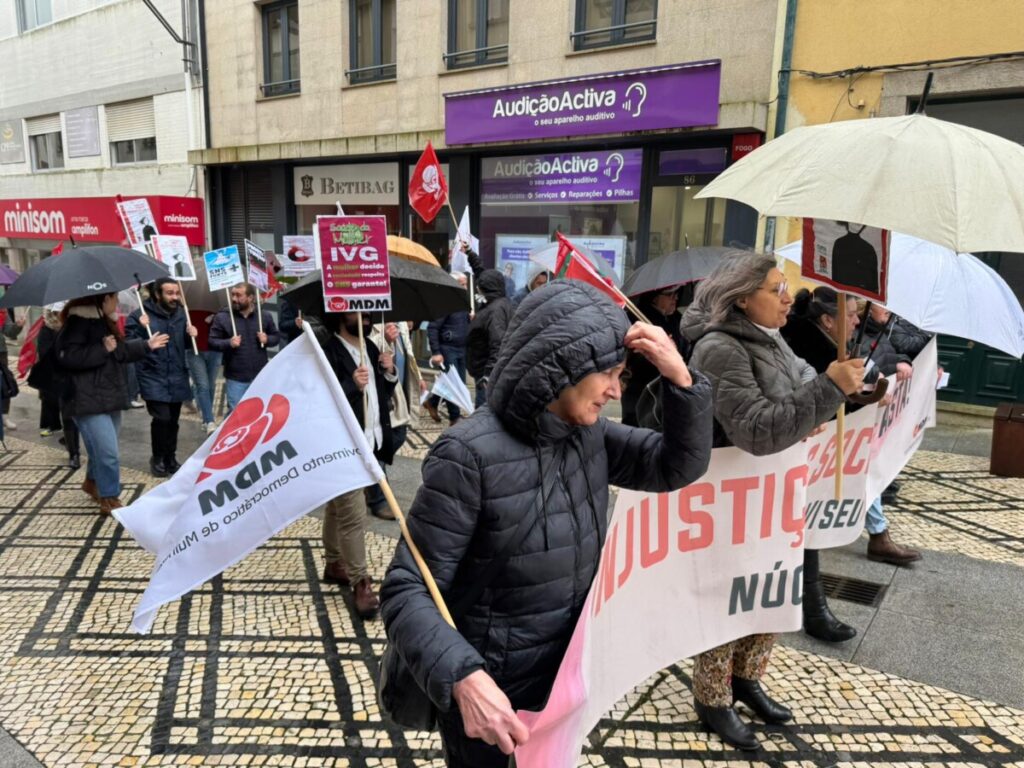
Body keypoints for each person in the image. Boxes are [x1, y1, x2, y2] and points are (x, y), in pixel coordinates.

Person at [381, 281, 714, 767]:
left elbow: (674, 466)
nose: (616, 391)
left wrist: (682, 381)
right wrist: (464, 679)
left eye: (622, 375)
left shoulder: (589, 434)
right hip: (493, 699)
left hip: (564, 683)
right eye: (609, 374)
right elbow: (407, 589)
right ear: (563, 364)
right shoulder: (468, 454)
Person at [680, 252, 865, 750]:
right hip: (733, 497)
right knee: (732, 592)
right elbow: (758, 430)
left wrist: (854, 387)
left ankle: (747, 678)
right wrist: (827, 390)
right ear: (743, 299)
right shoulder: (719, 349)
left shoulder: (772, 336)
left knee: (771, 588)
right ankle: (712, 696)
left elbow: (805, 382)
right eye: (777, 289)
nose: (789, 297)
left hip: (774, 492)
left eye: (786, 286)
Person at [56, 293, 168, 514]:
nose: (117, 303)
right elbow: (66, 357)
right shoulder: (76, 323)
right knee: (108, 453)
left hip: (110, 396)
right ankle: (110, 497)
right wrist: (101, 349)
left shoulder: (105, 322)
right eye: (115, 298)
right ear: (104, 299)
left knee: (104, 448)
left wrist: (146, 344)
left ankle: (91, 482)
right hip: (85, 399)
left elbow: (120, 352)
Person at [321, 311, 398, 618]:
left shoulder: (371, 346)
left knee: (335, 505)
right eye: (357, 312)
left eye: (367, 312)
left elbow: (382, 394)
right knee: (354, 514)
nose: (364, 317)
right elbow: (324, 397)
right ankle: (361, 582)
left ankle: (333, 561)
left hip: (372, 439)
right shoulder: (327, 349)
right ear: (340, 315)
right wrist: (352, 384)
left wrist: (389, 372)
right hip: (343, 444)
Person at [855, 302, 922, 563]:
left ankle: (878, 533)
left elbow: (890, 355)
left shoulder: (879, 333)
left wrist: (902, 361)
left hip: (868, 420)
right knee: (862, 471)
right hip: (855, 418)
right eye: (883, 305)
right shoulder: (858, 334)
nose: (889, 310)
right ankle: (878, 534)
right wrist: (875, 378)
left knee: (863, 472)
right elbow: (856, 360)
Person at [126, 279, 198, 477]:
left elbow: (186, 345)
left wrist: (192, 335)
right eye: (169, 293)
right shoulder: (140, 315)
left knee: (173, 420)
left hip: (176, 373)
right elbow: (128, 346)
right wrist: (140, 329)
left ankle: (170, 457)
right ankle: (157, 457)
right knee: (162, 418)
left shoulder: (182, 314)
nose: (174, 297)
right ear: (158, 294)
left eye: (176, 293)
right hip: (152, 374)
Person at [366, 320, 427, 520]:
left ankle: (369, 477)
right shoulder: (372, 323)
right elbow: (362, 348)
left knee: (398, 436)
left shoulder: (399, 324)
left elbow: (407, 353)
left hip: (398, 388)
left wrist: (417, 375)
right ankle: (379, 499)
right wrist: (382, 338)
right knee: (380, 446)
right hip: (381, 393)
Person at [622, 286, 691, 426]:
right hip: (641, 390)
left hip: (669, 392)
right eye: (670, 294)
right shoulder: (637, 320)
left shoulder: (678, 319)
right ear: (654, 297)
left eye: (677, 294)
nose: (675, 298)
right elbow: (633, 357)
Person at [208, 283, 279, 412]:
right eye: (232, 295)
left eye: (239, 295)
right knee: (237, 415)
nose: (234, 299)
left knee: (258, 412)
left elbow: (276, 337)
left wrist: (267, 339)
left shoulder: (264, 316)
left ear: (251, 297)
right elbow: (212, 342)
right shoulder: (223, 317)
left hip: (260, 375)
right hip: (236, 377)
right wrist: (228, 343)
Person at [425, 275, 470, 424]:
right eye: (461, 284)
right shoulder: (444, 303)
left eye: (466, 284)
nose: (465, 287)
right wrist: (436, 352)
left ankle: (432, 401)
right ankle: (454, 416)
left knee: (457, 383)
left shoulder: (465, 302)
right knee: (455, 383)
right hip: (448, 348)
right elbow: (433, 328)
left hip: (462, 348)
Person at [466, 269, 513, 409]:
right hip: (485, 369)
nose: (477, 289)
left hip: (486, 373)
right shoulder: (496, 304)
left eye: (479, 286)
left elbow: (498, 343)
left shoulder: (495, 309)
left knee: (484, 412)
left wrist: (487, 375)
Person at [185, 308, 222, 434]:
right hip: (194, 351)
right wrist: (187, 331)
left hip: (215, 350)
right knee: (203, 385)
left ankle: (206, 418)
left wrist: (217, 317)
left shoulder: (220, 308)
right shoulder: (185, 307)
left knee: (211, 385)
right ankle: (209, 420)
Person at [0, 307, 24, 431]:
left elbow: (9, 332)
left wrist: (17, 326)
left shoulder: (1, 308)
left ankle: (4, 416)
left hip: (1, 352)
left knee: (4, 384)